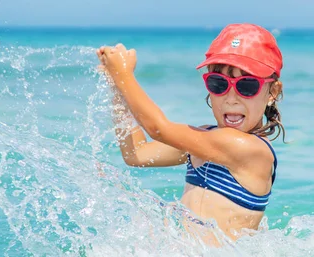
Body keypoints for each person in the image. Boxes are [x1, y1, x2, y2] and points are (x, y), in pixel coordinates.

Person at [96, 23, 286, 244]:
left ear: (273, 92)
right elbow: (136, 154)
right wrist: (117, 89)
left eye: (247, 86)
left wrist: (124, 75)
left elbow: (159, 129)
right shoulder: (206, 138)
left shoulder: (249, 149)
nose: (231, 98)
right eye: (219, 83)